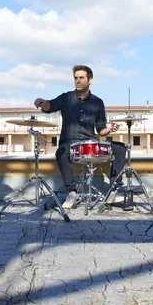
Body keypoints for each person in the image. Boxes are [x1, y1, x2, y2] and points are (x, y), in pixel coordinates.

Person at [34, 65, 126, 208]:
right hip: (69, 143)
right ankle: (72, 192)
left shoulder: (98, 102)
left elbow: (100, 129)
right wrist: (43, 103)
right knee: (61, 152)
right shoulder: (66, 98)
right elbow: (50, 106)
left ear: (90, 80)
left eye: (81, 78)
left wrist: (109, 130)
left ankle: (115, 189)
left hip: (90, 143)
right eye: (75, 78)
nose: (78, 81)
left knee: (120, 148)